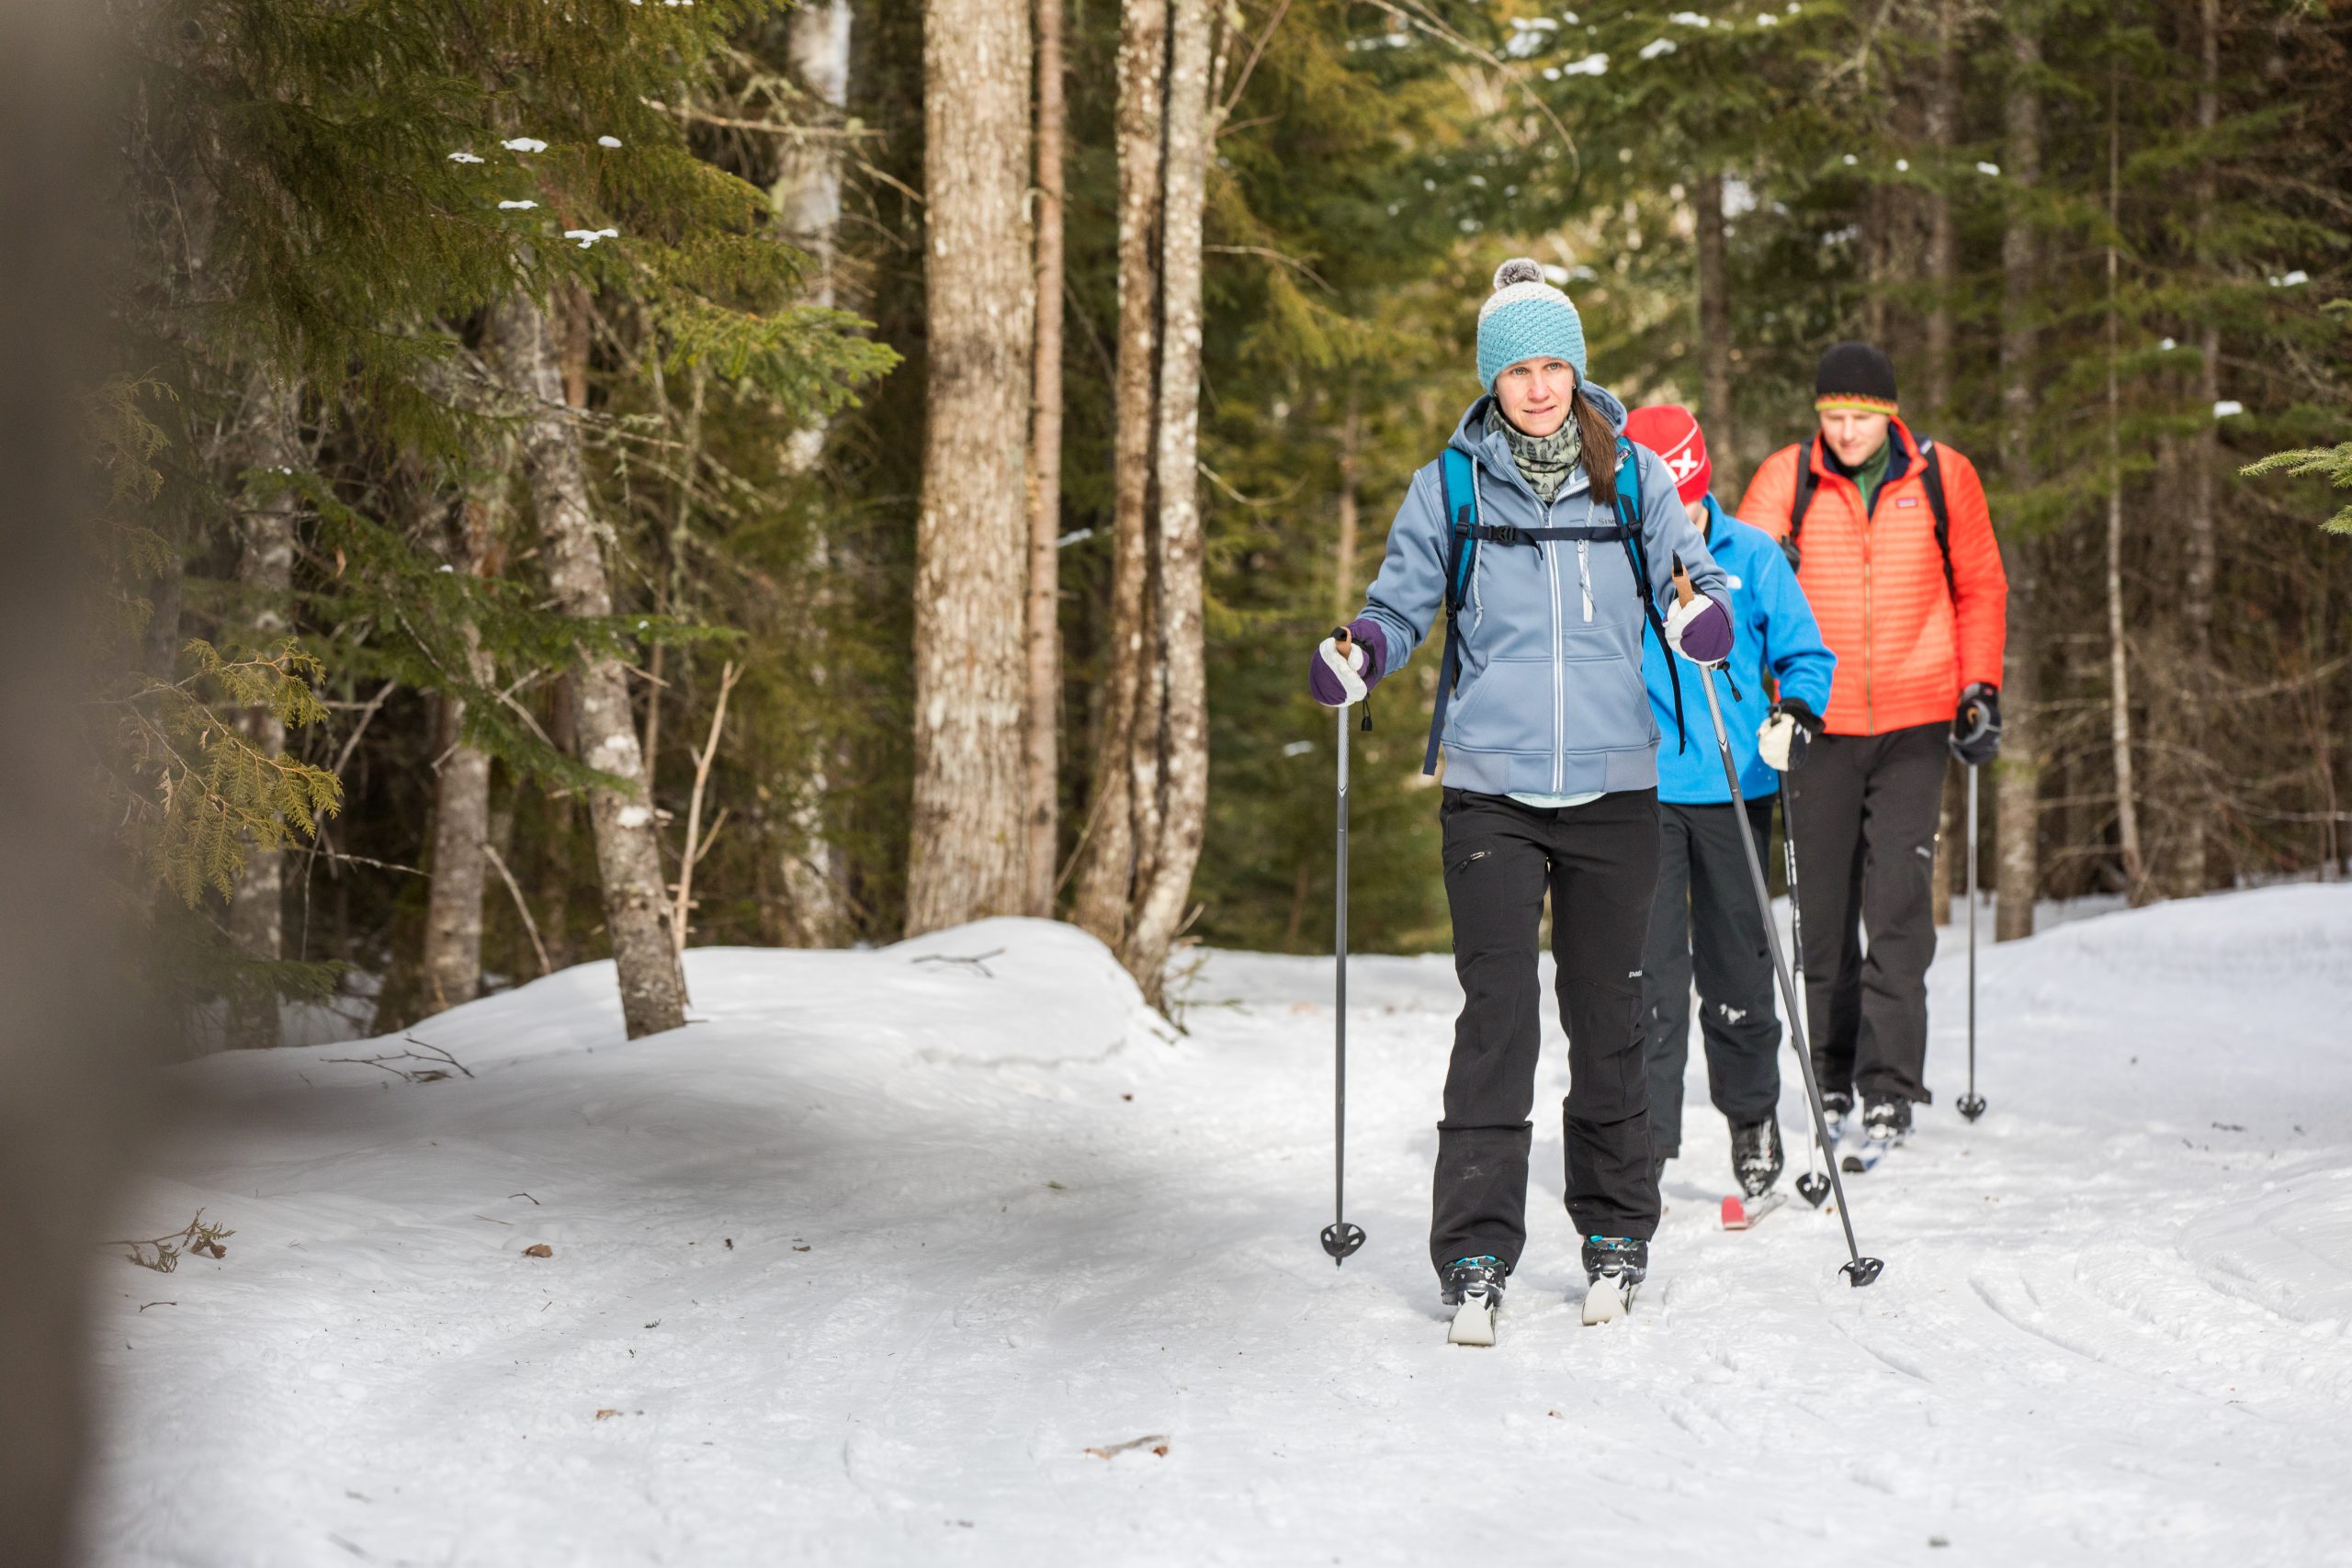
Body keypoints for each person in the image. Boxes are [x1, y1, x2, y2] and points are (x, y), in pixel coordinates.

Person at [1308, 258, 1735, 1338]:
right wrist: (1363, 649)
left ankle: (1614, 1228)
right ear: (1491, 379)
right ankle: (1476, 1253)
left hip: (1611, 786)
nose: (1539, 387)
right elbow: (1399, 605)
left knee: (1607, 1015)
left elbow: (1697, 580)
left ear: (1577, 372)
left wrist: (1700, 622)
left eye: (1555, 365)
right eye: (1520, 369)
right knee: (1496, 1018)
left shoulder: (1635, 477)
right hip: (1490, 788)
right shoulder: (1446, 487)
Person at [1736, 343, 2007, 1168]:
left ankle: (1890, 1082)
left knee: (1895, 904)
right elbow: (1734, 590)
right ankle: (1830, 1073)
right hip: (1815, 722)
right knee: (1821, 913)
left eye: (1862, 415)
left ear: (1890, 415)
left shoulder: (1941, 475)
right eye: (1833, 415)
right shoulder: (1785, 480)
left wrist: (1980, 687)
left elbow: (1980, 587)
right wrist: (1762, 575)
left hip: (1917, 720)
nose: (1847, 431)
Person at [1622, 404, 1834, 1204]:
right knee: (1648, 975)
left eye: (1682, 499)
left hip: (1735, 784)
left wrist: (1796, 712)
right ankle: (1646, 1138)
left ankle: (1752, 1115)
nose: (1673, 518)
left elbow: (1805, 653)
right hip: (1639, 789)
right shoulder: (1617, 560)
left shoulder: (1749, 553)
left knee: (1738, 965)